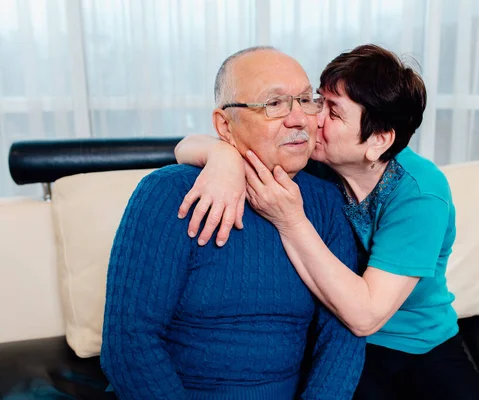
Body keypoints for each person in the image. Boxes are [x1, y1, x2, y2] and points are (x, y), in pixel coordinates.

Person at [174, 44, 479, 399]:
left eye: (335, 112)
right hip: (337, 340)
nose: (313, 119)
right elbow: (186, 145)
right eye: (319, 101)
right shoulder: (314, 161)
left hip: (418, 343)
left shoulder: (421, 194)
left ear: (378, 140)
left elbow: (366, 315)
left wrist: (290, 219)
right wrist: (221, 157)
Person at [100, 46, 365, 400]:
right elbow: (129, 342)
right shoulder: (167, 193)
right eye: (274, 103)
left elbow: (342, 336)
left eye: (305, 100)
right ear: (225, 125)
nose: (299, 119)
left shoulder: (326, 202)